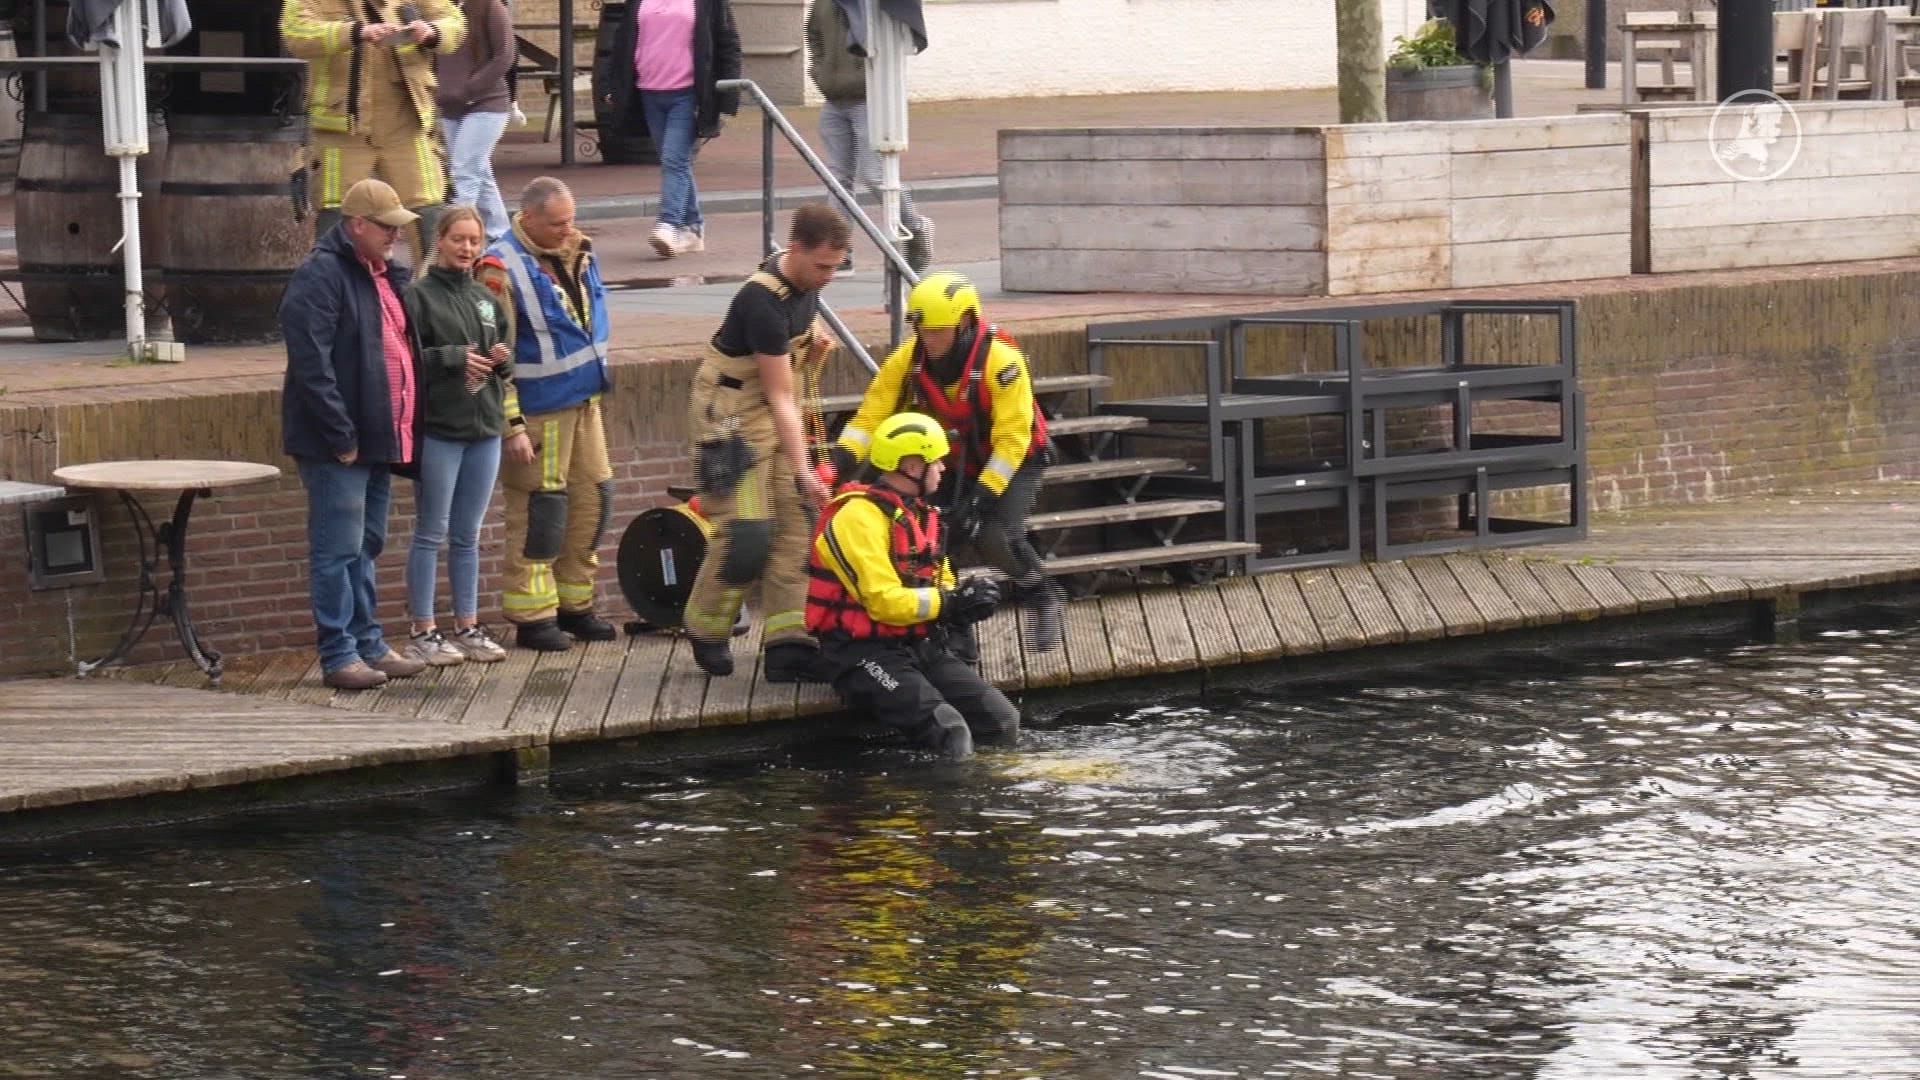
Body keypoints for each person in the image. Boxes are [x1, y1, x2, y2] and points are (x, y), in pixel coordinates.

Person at [829, 270, 1063, 657]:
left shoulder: (1002, 363)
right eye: (922, 330)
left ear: (966, 322)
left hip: (1015, 459)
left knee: (995, 535)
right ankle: (953, 626)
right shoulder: (907, 360)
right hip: (951, 459)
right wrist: (839, 462)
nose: (928, 340)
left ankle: (1040, 591)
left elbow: (1012, 438)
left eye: (938, 330)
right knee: (935, 536)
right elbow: (870, 417)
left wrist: (983, 497)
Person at [682, 202, 850, 681]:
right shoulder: (762, 301)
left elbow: (797, 330)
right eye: (823, 266)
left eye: (836, 267)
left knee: (798, 524)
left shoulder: (803, 284)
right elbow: (780, 398)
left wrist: (814, 335)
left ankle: (789, 643)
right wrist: (804, 470)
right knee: (748, 530)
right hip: (729, 418)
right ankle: (706, 625)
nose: (829, 277)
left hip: (771, 412)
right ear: (795, 250)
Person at [279, 178, 433, 691]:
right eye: (386, 226)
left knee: (366, 544)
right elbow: (310, 365)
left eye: (398, 226)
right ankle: (339, 653)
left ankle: (369, 643)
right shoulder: (320, 276)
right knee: (337, 547)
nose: (394, 235)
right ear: (357, 225)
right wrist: (341, 435)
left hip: (377, 438)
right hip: (340, 445)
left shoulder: (379, 275)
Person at [807, 412, 1020, 760]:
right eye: (935, 461)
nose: (942, 468)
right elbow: (883, 602)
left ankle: (985, 801)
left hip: (917, 644)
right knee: (950, 732)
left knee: (1001, 720)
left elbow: (941, 580)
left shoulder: (919, 514)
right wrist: (948, 603)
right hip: (862, 654)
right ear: (910, 466)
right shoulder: (855, 518)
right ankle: (939, 807)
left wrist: (965, 603)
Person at [474, 177, 617, 652]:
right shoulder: (499, 268)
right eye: (556, 223)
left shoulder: (579, 251)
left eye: (570, 219)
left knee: (592, 501)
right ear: (528, 217)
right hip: (538, 414)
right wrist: (510, 424)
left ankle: (576, 605)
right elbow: (494, 356)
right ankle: (533, 616)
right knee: (540, 513)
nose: (567, 229)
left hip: (584, 405)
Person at [398, 205, 513, 666]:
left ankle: (467, 624)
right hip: (441, 429)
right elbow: (404, 362)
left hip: (484, 428)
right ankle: (422, 629)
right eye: (458, 239)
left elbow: (506, 363)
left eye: (474, 241)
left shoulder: (487, 298)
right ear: (439, 242)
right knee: (431, 531)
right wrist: (450, 357)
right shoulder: (419, 297)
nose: (467, 248)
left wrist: (502, 359)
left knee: (468, 533)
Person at [280, 0, 466, 262]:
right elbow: (296, 32)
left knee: (429, 216)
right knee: (337, 218)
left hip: (407, 124)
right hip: (341, 128)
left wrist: (432, 31)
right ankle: (332, 295)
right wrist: (355, 33)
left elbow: (455, 22)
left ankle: (436, 296)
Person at [599, 0, 742, 259]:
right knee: (677, 163)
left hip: (687, 95)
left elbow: (727, 43)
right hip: (649, 92)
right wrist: (612, 85)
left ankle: (669, 224)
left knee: (673, 160)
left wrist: (728, 99)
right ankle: (694, 228)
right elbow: (623, 42)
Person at [802, 0, 934, 274]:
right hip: (834, 99)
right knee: (837, 178)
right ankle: (840, 249)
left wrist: (863, 74)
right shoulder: (823, 4)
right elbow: (813, 35)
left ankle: (914, 224)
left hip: (869, 99)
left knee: (875, 175)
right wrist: (819, 72)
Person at [434, 0, 516, 242]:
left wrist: (470, 88)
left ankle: (459, 238)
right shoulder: (436, 9)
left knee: (463, 171)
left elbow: (505, 55)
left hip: (487, 103)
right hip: (450, 106)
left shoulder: (489, 6)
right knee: (480, 173)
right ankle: (500, 236)